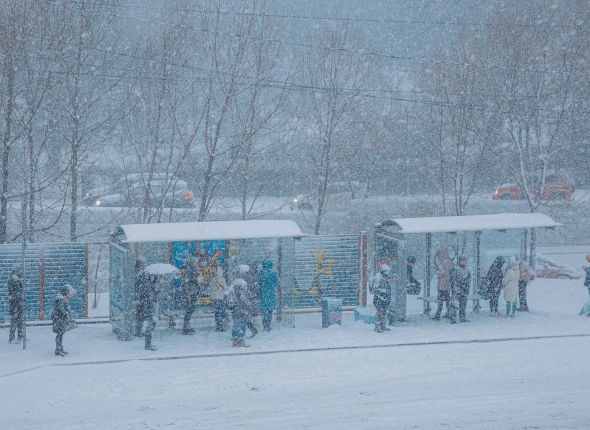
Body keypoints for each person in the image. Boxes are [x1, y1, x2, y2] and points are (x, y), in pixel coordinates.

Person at [136, 269, 163, 351]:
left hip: (150, 306)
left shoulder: (148, 284)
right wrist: (155, 292)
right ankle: (148, 344)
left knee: (151, 324)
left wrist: (158, 291)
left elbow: (151, 295)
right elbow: (149, 296)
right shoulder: (147, 285)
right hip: (150, 307)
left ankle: (148, 343)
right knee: (151, 325)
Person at [225, 265, 251, 347]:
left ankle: (235, 341)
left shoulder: (234, 283)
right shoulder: (242, 283)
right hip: (241, 308)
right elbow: (243, 298)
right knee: (242, 325)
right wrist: (247, 306)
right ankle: (241, 341)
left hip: (235, 308)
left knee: (236, 324)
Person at [51, 284, 78, 356]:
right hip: (59, 319)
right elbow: (61, 309)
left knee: (61, 334)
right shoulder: (60, 299)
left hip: (59, 319)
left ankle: (60, 349)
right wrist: (67, 315)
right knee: (59, 334)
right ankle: (58, 350)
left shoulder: (61, 298)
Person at [432, 249, 454, 320]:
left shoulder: (445, 263)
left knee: (441, 300)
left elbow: (442, 273)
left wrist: (437, 271)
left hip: (443, 285)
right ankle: (448, 313)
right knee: (446, 300)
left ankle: (438, 314)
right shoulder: (448, 262)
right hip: (446, 285)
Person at [449, 256, 471, 324]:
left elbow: (468, 280)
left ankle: (462, 317)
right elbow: (453, 280)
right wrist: (455, 289)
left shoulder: (467, 269)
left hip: (464, 290)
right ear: (460, 261)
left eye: (466, 260)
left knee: (463, 305)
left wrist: (467, 289)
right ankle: (453, 318)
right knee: (454, 305)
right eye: (464, 260)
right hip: (457, 290)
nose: (466, 262)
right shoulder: (455, 269)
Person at [258, 259, 278, 332]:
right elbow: (276, 283)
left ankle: (264, 325)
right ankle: (268, 325)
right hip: (271, 294)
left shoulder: (261, 273)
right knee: (270, 311)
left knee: (264, 312)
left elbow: (259, 282)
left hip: (263, 294)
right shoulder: (273, 273)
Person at [8, 265, 25, 344]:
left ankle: (19, 337)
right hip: (16, 304)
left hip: (17, 304)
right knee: (15, 321)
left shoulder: (16, 278)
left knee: (19, 321)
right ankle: (12, 338)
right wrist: (20, 299)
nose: (20, 272)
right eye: (19, 270)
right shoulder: (14, 279)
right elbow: (15, 293)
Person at [372, 264, 392, 333]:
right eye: (387, 271)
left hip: (384, 299)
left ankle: (383, 326)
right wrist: (383, 291)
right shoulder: (378, 277)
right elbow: (375, 288)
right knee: (379, 313)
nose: (388, 273)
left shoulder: (384, 277)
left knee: (383, 313)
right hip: (379, 299)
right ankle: (378, 327)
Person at [209, 265, 228, 331]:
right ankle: (220, 326)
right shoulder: (222, 279)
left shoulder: (212, 279)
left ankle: (218, 326)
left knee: (217, 313)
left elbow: (210, 289)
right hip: (220, 298)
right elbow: (225, 288)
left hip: (214, 298)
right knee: (222, 312)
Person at [244, 263, 260, 337]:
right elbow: (257, 288)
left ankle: (253, 329)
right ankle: (254, 327)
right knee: (249, 315)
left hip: (248, 299)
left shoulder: (246, 276)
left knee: (246, 317)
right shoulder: (256, 277)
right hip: (254, 298)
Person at [134, 258, 147, 337]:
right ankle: (138, 331)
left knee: (140, 315)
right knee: (139, 316)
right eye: (142, 265)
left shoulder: (140, 272)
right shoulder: (138, 273)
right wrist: (137, 299)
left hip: (141, 297)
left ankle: (138, 330)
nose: (144, 266)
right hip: (139, 298)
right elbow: (137, 287)